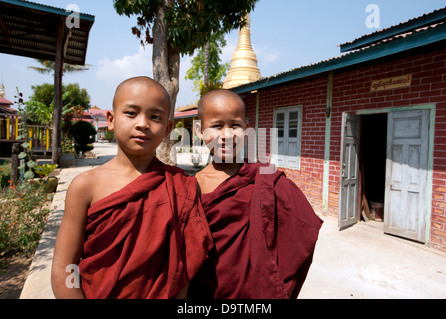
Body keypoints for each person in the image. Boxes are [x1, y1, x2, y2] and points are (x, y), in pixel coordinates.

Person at [51, 76, 213, 299]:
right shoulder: (86, 186)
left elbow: (182, 268)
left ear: (167, 129)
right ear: (111, 119)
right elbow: (64, 268)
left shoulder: (182, 186)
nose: (142, 123)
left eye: (155, 117)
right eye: (131, 113)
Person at [189, 89, 323, 299]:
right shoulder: (192, 185)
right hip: (205, 292)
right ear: (199, 130)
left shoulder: (265, 179)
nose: (226, 135)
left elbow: (302, 230)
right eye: (216, 126)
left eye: (235, 125)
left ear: (247, 129)